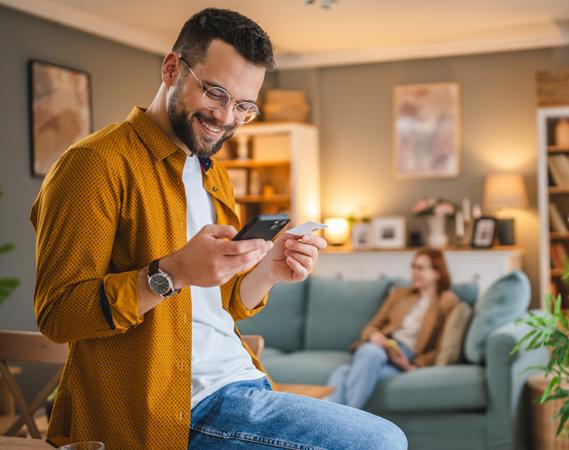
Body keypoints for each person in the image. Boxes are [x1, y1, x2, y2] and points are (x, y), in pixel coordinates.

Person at [29, 8, 407, 450]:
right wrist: (172, 273)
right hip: (174, 409)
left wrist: (269, 270)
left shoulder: (212, 173)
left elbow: (221, 304)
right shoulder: (94, 165)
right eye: (216, 93)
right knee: (381, 441)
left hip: (244, 382)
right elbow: (58, 315)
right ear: (171, 68)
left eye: (244, 107)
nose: (227, 118)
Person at [326, 248, 461, 408]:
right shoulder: (400, 294)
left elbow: (440, 347)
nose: (414, 272)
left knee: (343, 373)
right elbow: (372, 326)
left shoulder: (446, 302)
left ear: (437, 273)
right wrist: (375, 337)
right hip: (382, 345)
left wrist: (410, 365)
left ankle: (338, 423)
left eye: (421, 268)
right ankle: (350, 422)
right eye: (413, 267)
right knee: (369, 353)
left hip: (403, 356)